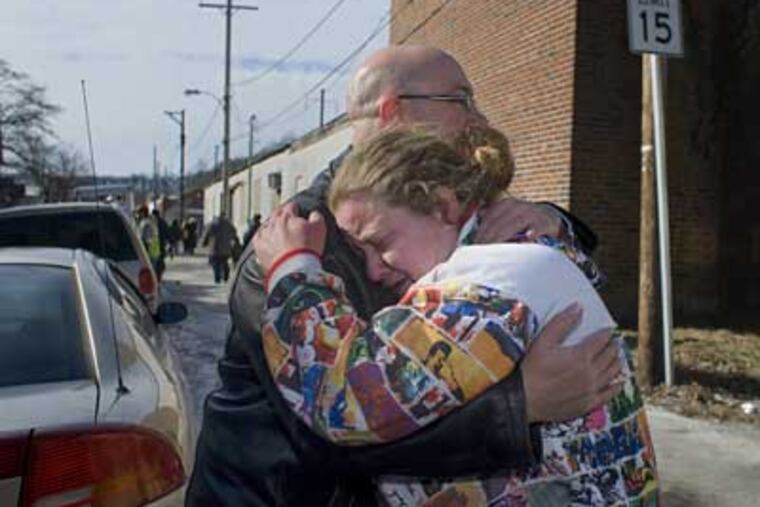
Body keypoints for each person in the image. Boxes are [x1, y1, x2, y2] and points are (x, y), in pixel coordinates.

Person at [186, 46, 614, 506]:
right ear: (394, 112)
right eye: (460, 100)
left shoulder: (429, 212)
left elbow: (542, 286)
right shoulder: (292, 246)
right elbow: (335, 423)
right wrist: (520, 406)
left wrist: (548, 221)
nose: (478, 118)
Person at [254, 126, 657, 505]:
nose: (375, 270)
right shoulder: (518, 261)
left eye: (381, 242)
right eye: (362, 254)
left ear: (444, 206)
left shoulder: (492, 280)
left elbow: (344, 396)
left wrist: (293, 267)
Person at [202, 213, 238, 284]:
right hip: (226, 248)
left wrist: (204, 243)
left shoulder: (212, 225)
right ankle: (226, 277)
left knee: (216, 263)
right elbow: (234, 233)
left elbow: (207, 234)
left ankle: (217, 278)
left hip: (215, 247)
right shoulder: (229, 224)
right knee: (225, 262)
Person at [136, 205, 162, 277]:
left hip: (149, 251)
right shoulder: (152, 221)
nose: (138, 215)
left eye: (139, 213)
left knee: (149, 273)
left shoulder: (145, 223)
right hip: (155, 251)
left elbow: (145, 239)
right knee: (152, 272)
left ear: (143, 213)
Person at [152, 208, 169, 280]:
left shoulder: (151, 222)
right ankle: (159, 276)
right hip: (162, 245)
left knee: (154, 262)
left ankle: (155, 276)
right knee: (160, 261)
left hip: (153, 246)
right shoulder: (163, 222)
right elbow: (167, 233)